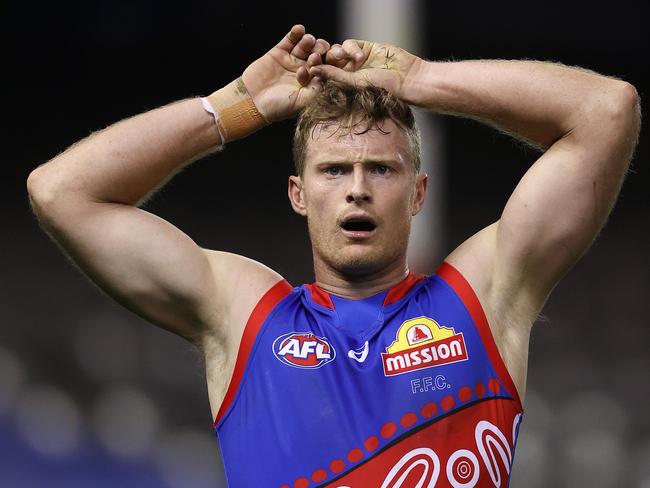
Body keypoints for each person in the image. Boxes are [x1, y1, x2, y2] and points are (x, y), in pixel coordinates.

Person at [26, 23, 640, 487]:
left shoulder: (484, 296)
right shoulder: (243, 315)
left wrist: (423, 82)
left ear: (418, 192)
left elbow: (607, 110)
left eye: (380, 168)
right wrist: (235, 108)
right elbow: (60, 192)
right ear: (299, 193)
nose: (356, 187)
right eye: (333, 169)